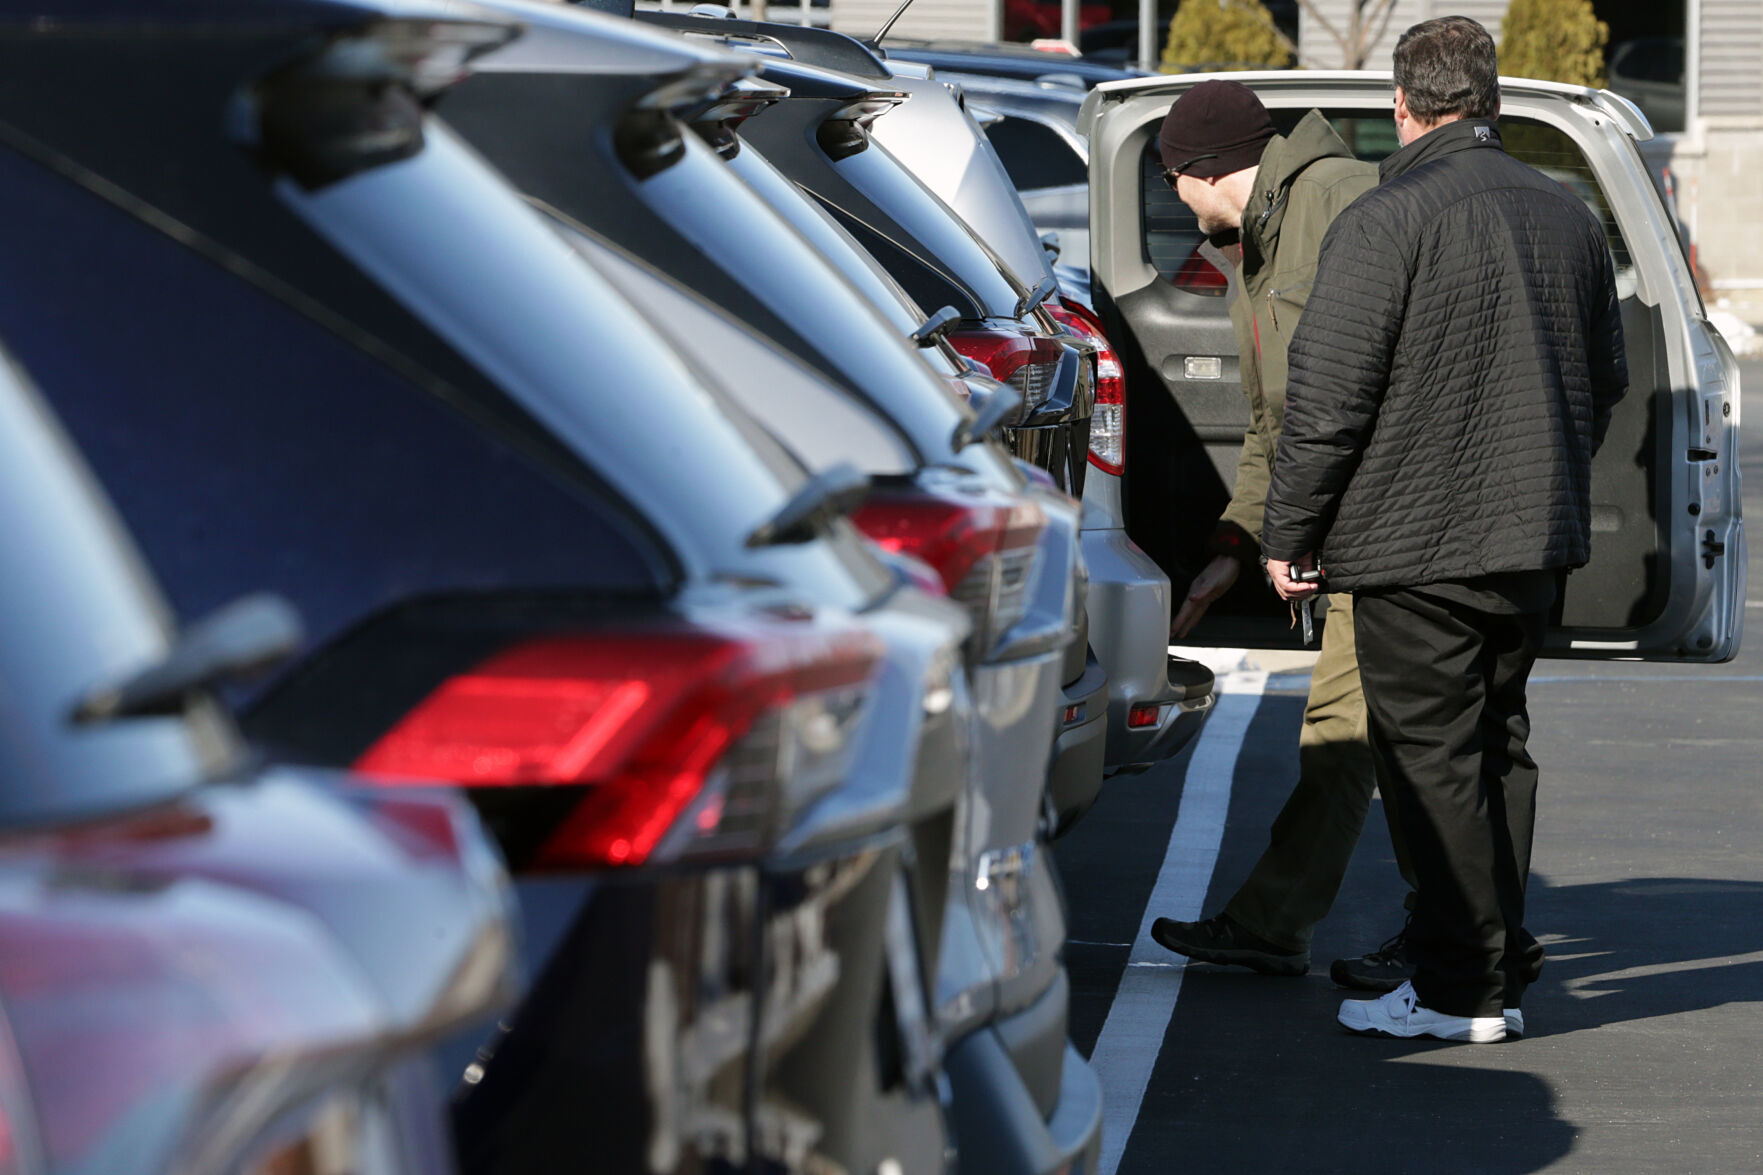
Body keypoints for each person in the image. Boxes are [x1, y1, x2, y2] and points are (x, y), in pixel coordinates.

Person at [1261, 16, 1627, 1043]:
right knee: (1495, 747)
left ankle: (1458, 986)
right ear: (1492, 101)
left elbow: (1326, 398)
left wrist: (1287, 532)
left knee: (1429, 764)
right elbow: (1601, 380)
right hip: (1530, 537)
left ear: (1400, 106)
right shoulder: (1565, 214)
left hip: (1412, 542)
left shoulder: (1386, 216)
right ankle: (1488, 966)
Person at [1146, 78, 1417, 986]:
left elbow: (1371, 389)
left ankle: (1304, 926)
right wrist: (1235, 543)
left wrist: (1303, 529)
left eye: (1171, 181)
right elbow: (1276, 422)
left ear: (1203, 169)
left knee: (1349, 735)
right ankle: (1293, 924)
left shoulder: (1346, 203)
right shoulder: (1258, 242)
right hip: (1339, 524)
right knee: (1362, 734)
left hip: (1386, 522)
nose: (1174, 204)